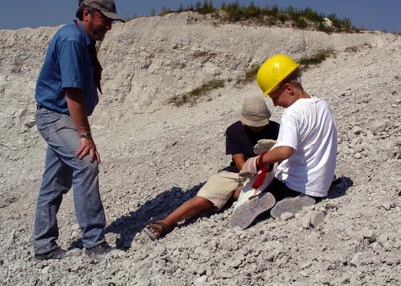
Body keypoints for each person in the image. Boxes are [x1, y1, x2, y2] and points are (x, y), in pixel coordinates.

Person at [33, 0, 124, 260]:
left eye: (111, 21)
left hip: (63, 116)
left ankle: (44, 247)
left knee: (55, 182)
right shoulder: (72, 40)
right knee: (86, 163)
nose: (108, 26)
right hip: (56, 116)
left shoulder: (83, 39)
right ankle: (94, 243)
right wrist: (85, 136)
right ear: (86, 14)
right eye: (104, 19)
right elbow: (72, 92)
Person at [143, 96, 280, 240]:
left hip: (267, 172)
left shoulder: (276, 128)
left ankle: (239, 198)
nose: (259, 127)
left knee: (258, 187)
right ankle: (165, 223)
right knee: (204, 199)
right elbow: (240, 165)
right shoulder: (234, 131)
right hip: (236, 172)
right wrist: (256, 166)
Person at [229, 54, 338, 229]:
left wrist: (257, 161)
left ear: (288, 88)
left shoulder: (292, 113)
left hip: (296, 182)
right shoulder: (323, 105)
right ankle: (307, 197)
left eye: (273, 96)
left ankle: (279, 197)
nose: (274, 104)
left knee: (265, 190)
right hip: (321, 183)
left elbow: (285, 151)